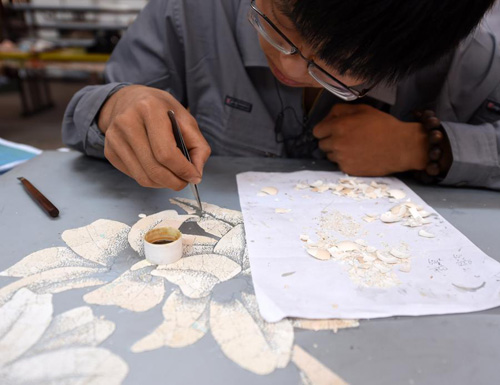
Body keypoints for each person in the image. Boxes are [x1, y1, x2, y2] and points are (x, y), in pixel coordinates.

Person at [63, 0, 500, 191]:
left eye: (338, 69)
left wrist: (425, 147)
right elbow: (90, 108)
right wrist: (115, 108)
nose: (288, 68)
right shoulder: (191, 10)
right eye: (278, 25)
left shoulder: (464, 49)